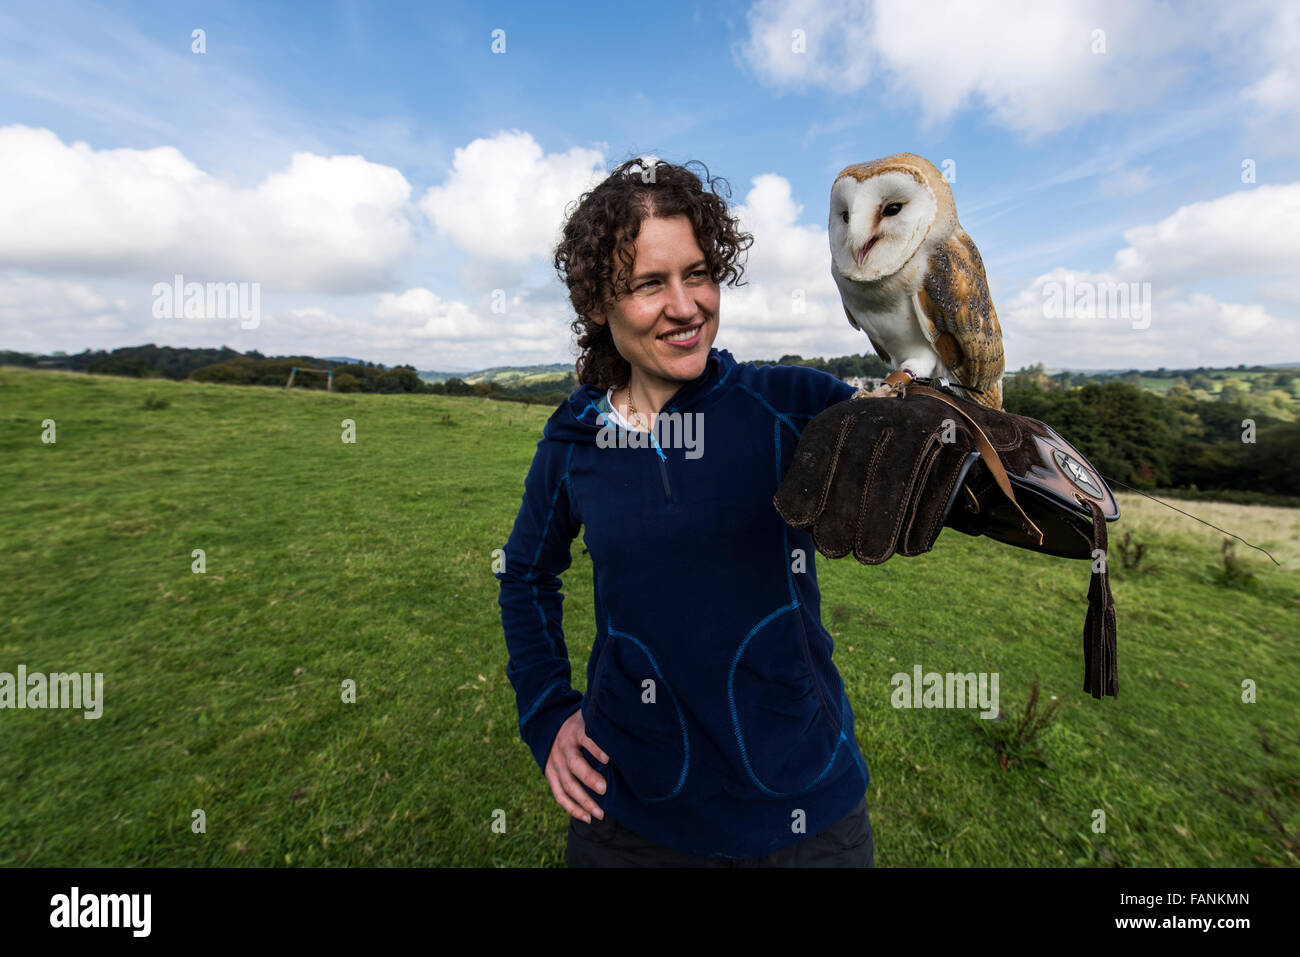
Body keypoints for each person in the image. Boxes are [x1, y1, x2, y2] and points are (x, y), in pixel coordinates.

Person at [496, 157, 874, 867]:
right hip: (631, 814)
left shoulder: (791, 405)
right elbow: (524, 574)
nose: (685, 304)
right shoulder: (576, 439)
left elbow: (916, 453)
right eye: (648, 284)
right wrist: (547, 713)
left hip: (803, 810)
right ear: (597, 305)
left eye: (698, 273)